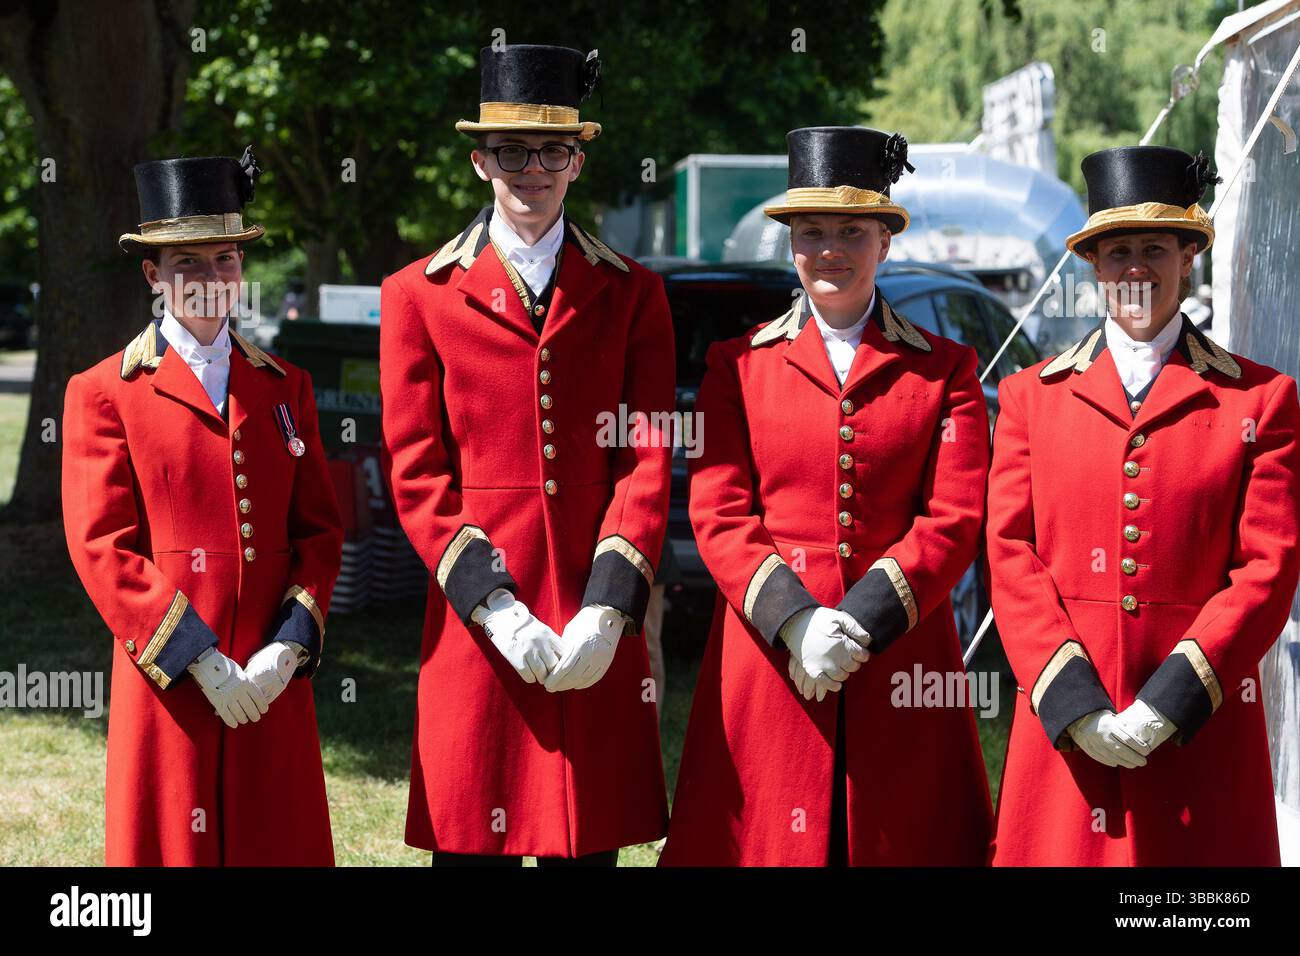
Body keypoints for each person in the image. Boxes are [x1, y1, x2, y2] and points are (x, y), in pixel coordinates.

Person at [660, 126, 994, 866]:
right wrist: (797, 622)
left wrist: (862, 622)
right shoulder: (734, 366)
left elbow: (955, 518)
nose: (831, 249)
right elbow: (718, 514)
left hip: (903, 657)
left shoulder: (947, 369)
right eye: (812, 232)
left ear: (885, 241)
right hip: (767, 658)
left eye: (852, 230)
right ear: (791, 245)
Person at [380, 44, 674, 866]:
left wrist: (612, 604)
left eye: (553, 151)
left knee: (586, 845)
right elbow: (416, 471)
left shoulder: (633, 292)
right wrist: (495, 604)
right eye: (513, 151)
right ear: (481, 161)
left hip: (592, 607)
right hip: (480, 621)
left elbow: (646, 457)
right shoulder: (417, 294)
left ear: (577, 161)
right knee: (473, 838)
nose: (533, 169)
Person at [987, 145, 1300, 865]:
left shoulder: (1261, 400)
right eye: (1117, 250)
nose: (1135, 268)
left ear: (1188, 256)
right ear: (1093, 264)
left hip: (1201, 725)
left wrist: (1171, 700)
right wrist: (1074, 702)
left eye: (1155, 248)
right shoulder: (1032, 398)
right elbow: (1009, 555)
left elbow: (1268, 570)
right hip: (1069, 726)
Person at [61, 147, 343, 865]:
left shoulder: (287, 386)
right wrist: (197, 659)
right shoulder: (103, 392)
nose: (211, 279)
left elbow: (318, 531)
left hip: (269, 677)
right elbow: (103, 548)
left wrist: (288, 646)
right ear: (154, 274)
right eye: (187, 263)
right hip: (172, 681)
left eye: (225, 259)